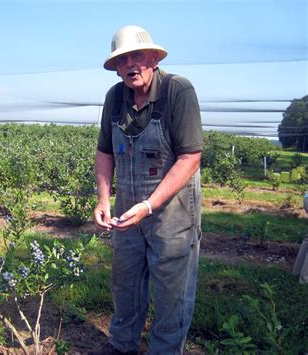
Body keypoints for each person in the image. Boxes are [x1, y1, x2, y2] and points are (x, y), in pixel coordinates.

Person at [93, 25, 203, 354]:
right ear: (115, 67)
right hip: (128, 211)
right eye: (122, 59)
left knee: (172, 294)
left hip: (172, 215)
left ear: (154, 58)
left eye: (137, 55)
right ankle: (122, 345)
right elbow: (104, 152)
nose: (131, 65)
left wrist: (149, 206)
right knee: (125, 284)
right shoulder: (115, 97)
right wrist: (103, 199)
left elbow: (190, 157)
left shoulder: (177, 91)